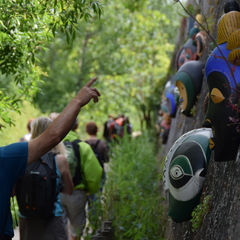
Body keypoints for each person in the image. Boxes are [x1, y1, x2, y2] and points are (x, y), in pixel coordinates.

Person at [0, 77, 100, 240]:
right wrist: (77, 101)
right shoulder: (5, 158)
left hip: (27, 219)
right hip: (52, 216)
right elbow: (53, 136)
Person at [18, 117, 74, 240]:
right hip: (52, 216)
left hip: (26, 216)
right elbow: (69, 190)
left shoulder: (23, 158)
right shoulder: (59, 160)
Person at [60, 119, 102, 240]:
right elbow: (95, 172)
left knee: (60, 228)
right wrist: (91, 189)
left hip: (57, 193)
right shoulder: (83, 146)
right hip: (76, 192)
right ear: (77, 126)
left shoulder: (53, 145)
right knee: (76, 229)